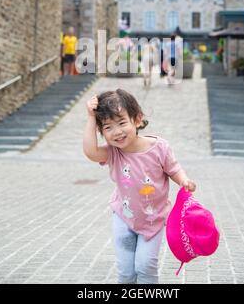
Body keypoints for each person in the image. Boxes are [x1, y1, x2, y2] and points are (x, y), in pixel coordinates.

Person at [83, 89, 196, 284]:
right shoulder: (113, 152)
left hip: (154, 220)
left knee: (145, 266)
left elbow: (174, 169)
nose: (117, 132)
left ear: (137, 119)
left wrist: (184, 181)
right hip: (123, 218)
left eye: (121, 123)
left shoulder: (159, 147)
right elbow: (91, 152)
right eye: (108, 127)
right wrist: (91, 117)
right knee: (126, 273)